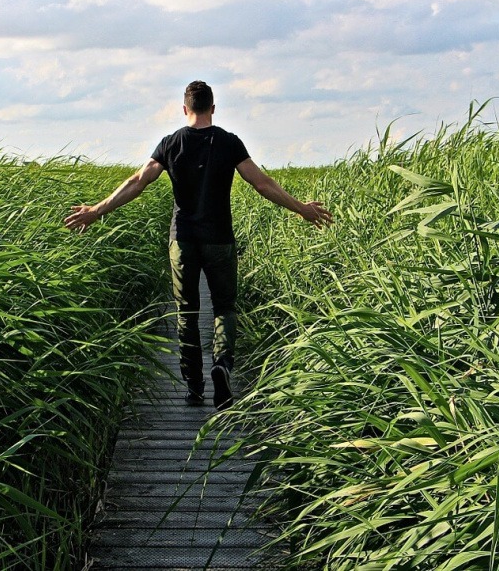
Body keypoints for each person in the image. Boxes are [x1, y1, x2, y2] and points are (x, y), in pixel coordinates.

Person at [64, 80, 333, 409]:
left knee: (187, 313)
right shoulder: (229, 143)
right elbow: (262, 184)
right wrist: (302, 209)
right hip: (220, 239)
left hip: (183, 240)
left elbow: (137, 182)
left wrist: (95, 210)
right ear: (213, 108)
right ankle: (222, 365)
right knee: (224, 308)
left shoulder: (171, 143)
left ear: (184, 108)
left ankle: (193, 386)